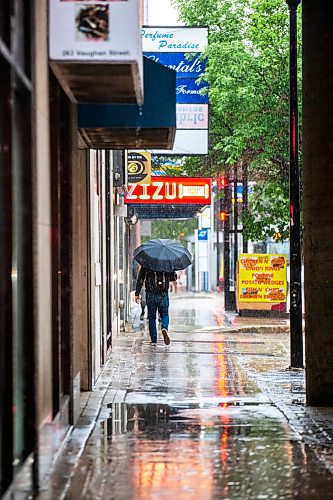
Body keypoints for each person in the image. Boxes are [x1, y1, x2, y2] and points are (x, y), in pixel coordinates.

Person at [135, 267, 177, 345]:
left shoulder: (147, 262)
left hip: (150, 293)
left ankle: (154, 339)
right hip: (163, 294)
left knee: (151, 317)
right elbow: (173, 277)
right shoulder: (167, 262)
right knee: (165, 314)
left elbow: (140, 278)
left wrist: (137, 293)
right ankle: (164, 328)